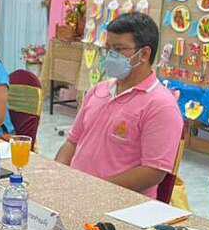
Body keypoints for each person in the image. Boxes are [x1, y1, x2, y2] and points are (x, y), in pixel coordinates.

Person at [56, 13, 183, 199]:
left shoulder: (161, 106)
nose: (110, 56)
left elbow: (153, 171)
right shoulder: (99, 90)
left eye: (118, 49)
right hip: (76, 193)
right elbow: (72, 142)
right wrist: (58, 175)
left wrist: (95, 191)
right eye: (108, 49)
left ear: (144, 54)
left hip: (119, 203)